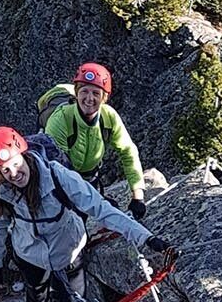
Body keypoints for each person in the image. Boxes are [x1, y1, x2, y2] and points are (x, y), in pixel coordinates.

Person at [0, 125, 176, 302]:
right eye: (5, 169)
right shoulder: (2, 192)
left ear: (23, 153)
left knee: (73, 298)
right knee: (37, 299)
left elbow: (102, 209)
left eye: (15, 163)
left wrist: (145, 238)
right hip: (31, 254)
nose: (13, 173)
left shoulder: (57, 175)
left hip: (69, 246)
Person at [38, 63, 150, 219]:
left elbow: (128, 151)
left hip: (90, 177)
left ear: (104, 98)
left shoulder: (108, 116)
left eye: (96, 93)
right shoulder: (61, 119)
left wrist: (138, 196)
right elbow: (57, 170)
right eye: (84, 91)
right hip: (61, 182)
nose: (89, 99)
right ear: (76, 93)